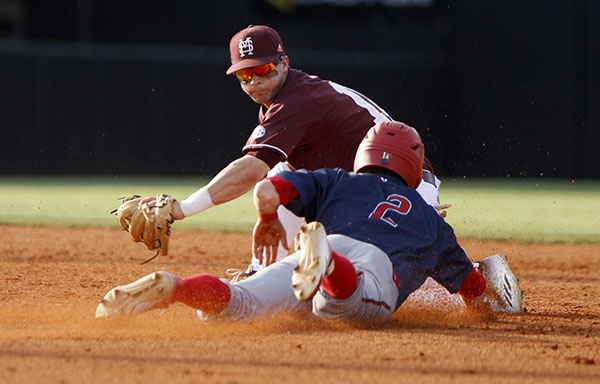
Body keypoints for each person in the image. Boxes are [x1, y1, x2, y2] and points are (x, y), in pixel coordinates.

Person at [96, 121, 523, 322]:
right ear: (413, 167)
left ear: (364, 158)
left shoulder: (336, 180)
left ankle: (177, 288)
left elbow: (268, 188)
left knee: (238, 305)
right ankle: (327, 265)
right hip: (356, 266)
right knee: (343, 306)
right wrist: (482, 302)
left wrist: (267, 218)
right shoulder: (431, 222)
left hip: (313, 248)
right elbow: (471, 288)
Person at [146, 24, 446, 278]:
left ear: (284, 63)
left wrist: (182, 208)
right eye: (244, 75)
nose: (255, 81)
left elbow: (250, 170)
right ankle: (260, 273)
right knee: (283, 175)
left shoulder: (297, 102)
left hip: (407, 186)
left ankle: (477, 277)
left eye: (263, 69)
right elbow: (275, 178)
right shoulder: (287, 99)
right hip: (360, 189)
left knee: (390, 280)